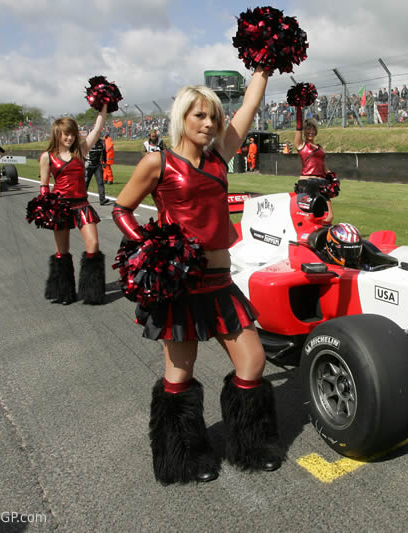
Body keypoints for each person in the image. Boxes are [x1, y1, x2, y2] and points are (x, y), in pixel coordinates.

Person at [112, 68, 281, 485]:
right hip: (180, 285)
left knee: (253, 360)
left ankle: (249, 444)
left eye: (214, 117)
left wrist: (264, 64)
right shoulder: (158, 161)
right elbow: (121, 209)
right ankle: (183, 457)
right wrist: (150, 245)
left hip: (221, 282)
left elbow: (250, 104)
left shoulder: (219, 156)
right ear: (182, 117)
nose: (208, 124)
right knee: (180, 373)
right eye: (199, 116)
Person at [40, 105, 108, 306]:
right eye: (66, 134)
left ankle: (92, 292)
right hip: (60, 207)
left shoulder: (81, 151)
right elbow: (44, 186)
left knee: (93, 246)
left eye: (72, 134)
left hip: (82, 205)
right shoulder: (47, 156)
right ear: (58, 134)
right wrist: (46, 209)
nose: (70, 138)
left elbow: (97, 129)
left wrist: (104, 107)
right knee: (62, 251)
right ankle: (64, 293)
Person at [294, 115, 335, 224]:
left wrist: (333, 178)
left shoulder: (320, 147)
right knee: (308, 217)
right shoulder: (301, 145)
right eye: (308, 129)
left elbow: (323, 165)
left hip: (322, 184)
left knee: (329, 216)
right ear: (304, 131)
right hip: (307, 184)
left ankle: (323, 233)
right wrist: (299, 110)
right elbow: (298, 130)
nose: (311, 131)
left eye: (313, 129)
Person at [84, 137, 110, 206]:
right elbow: (82, 153)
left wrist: (104, 162)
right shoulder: (88, 142)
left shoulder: (101, 143)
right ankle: (82, 198)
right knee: (86, 183)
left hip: (97, 165)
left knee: (100, 182)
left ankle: (102, 199)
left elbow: (104, 153)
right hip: (88, 166)